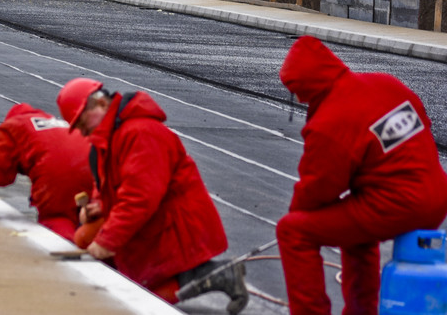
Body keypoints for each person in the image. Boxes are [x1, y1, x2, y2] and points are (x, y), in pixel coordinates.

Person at [276, 36, 447, 315]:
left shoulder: (329, 121)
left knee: (292, 230)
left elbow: (318, 188)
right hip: (438, 194)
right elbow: (423, 123)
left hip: (401, 206)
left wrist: (300, 215)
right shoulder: (385, 84)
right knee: (354, 231)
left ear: (304, 85)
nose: (296, 98)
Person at [56, 78, 248, 314]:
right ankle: (130, 277)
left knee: (138, 301)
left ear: (101, 104)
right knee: (87, 235)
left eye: (81, 122)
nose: (82, 131)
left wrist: (107, 242)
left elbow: (140, 197)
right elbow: (110, 184)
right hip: (155, 221)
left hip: (177, 227)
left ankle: (215, 274)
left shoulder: (141, 133)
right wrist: (99, 204)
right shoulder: (108, 137)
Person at [0, 103, 94, 241]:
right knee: (91, 215)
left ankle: (68, 246)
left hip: (59, 174)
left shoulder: (13, 127)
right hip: (93, 167)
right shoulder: (55, 123)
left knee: (57, 217)